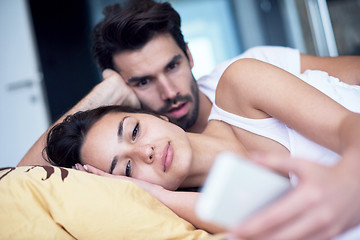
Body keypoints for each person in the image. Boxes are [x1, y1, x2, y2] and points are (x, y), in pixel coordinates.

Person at [17, 0, 360, 167]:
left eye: (173, 66)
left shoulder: (249, 71)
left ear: (190, 56)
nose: (169, 92)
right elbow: (20, 183)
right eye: (143, 81)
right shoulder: (154, 163)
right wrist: (100, 96)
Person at [44, 58, 360, 240]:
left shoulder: (239, 88)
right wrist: (156, 195)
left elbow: (347, 125)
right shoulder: (202, 216)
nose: (146, 152)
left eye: (136, 131)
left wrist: (349, 178)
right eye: (126, 168)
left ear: (156, 114)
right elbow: (15, 185)